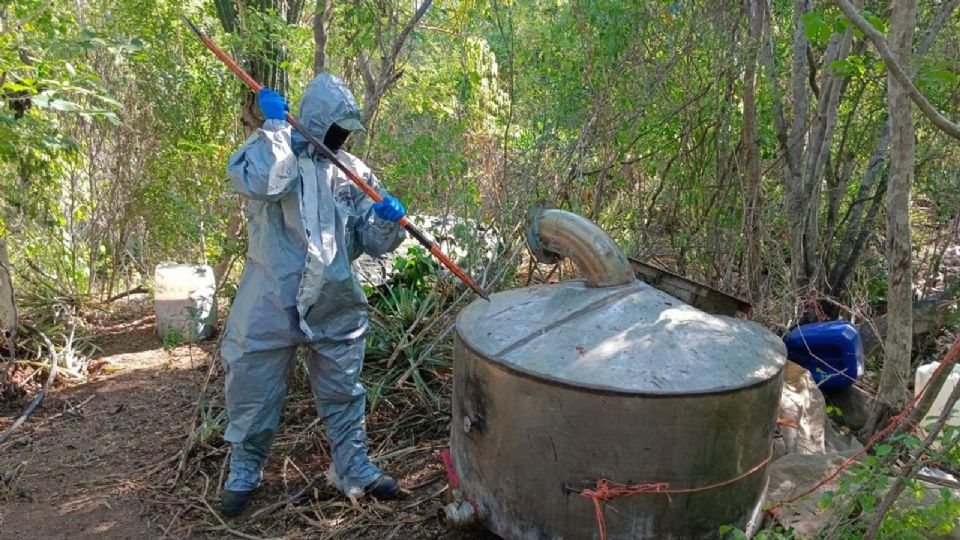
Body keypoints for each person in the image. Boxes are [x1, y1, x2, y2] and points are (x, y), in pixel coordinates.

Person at [219, 73, 407, 517]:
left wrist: (388, 220)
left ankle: (353, 468)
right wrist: (275, 130)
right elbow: (263, 183)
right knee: (251, 387)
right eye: (335, 128)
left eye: (347, 131)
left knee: (343, 389)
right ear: (316, 122)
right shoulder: (273, 152)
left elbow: (371, 241)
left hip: (335, 299)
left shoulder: (353, 173)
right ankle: (245, 469)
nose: (341, 138)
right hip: (268, 299)